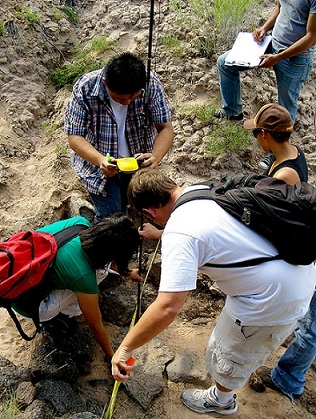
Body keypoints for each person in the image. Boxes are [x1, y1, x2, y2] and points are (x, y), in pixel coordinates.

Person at [111, 168, 315, 416]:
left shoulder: (179, 231)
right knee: (222, 343)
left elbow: (168, 306)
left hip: (270, 299)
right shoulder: (204, 188)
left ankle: (222, 402)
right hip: (296, 269)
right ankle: (223, 393)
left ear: (149, 212)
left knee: (232, 354)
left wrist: (125, 348)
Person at [244, 104, 316, 402]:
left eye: (256, 133)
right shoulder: (291, 152)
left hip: (309, 245)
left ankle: (288, 380)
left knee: (312, 328)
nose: (255, 140)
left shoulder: (286, 173)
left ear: (265, 136)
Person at [13, 214, 141, 360]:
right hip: (32, 308)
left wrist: (126, 272)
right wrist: (112, 356)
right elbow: (96, 326)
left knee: (95, 272)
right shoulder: (84, 277)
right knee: (100, 274)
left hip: (19, 278)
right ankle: (69, 311)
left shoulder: (80, 223)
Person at [64, 52, 174, 222]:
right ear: (106, 84)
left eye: (134, 96)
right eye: (120, 99)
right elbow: (75, 136)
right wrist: (101, 161)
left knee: (155, 207)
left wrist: (155, 157)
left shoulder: (150, 83)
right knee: (113, 221)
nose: (128, 102)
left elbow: (165, 128)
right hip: (100, 168)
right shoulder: (85, 88)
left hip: (139, 163)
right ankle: (87, 216)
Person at [215, 0, 316, 124]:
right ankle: (232, 112)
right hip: (271, 44)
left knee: (285, 111)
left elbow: (312, 37)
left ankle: (281, 140)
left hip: (294, 59)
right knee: (225, 63)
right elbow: (280, 6)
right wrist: (264, 28)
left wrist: (278, 57)